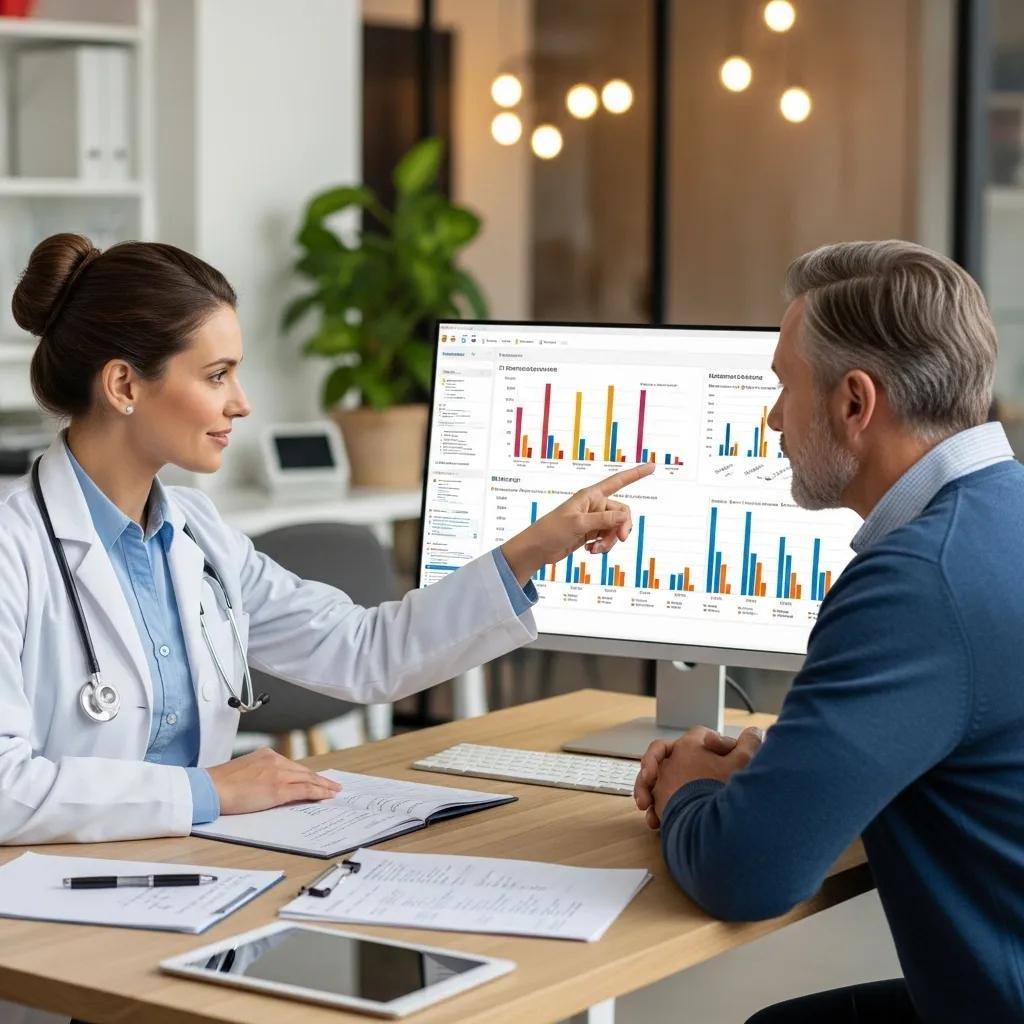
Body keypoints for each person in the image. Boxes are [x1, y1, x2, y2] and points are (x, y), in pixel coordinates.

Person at [0, 231, 653, 849]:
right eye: (217, 375)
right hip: (50, 891)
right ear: (124, 386)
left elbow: (363, 651)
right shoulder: (14, 546)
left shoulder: (197, 535)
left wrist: (535, 546)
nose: (242, 403)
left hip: (191, 868)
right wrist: (206, 790)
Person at [633, 240, 1024, 1023]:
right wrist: (778, 770)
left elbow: (749, 875)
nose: (773, 417)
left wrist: (687, 792)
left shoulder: (917, 582)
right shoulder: (1001, 515)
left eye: (784, 386)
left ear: (854, 402)